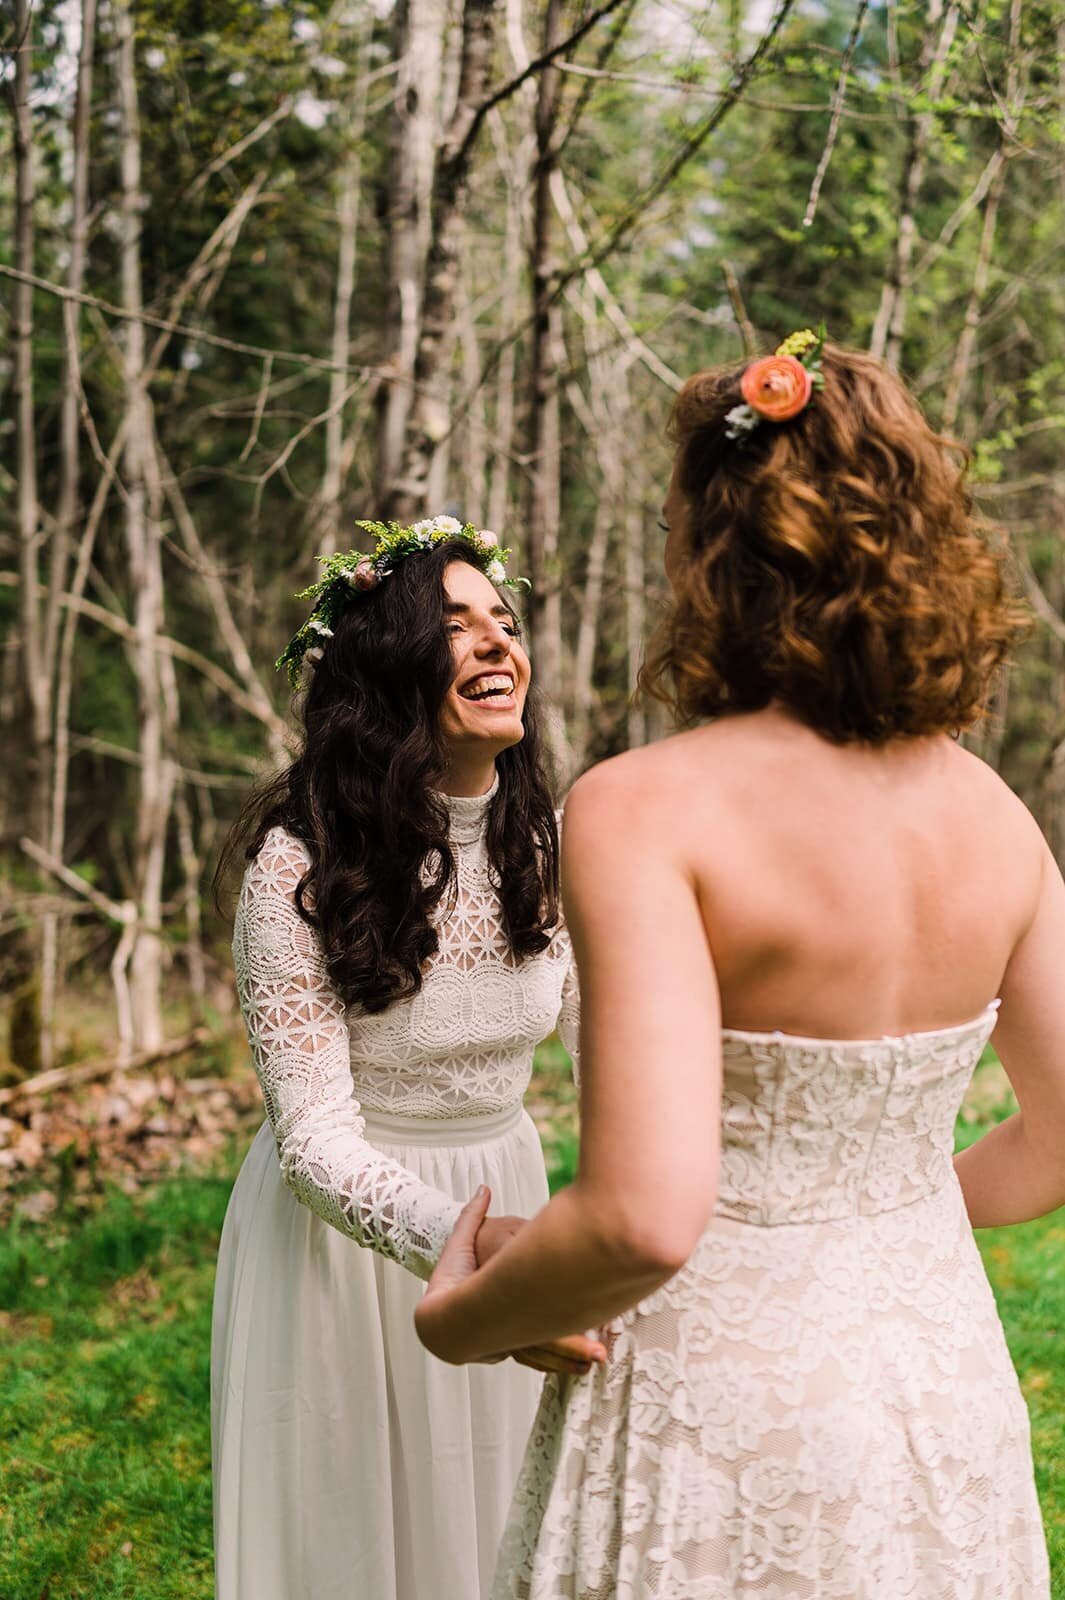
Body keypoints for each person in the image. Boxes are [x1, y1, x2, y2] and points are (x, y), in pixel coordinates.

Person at [415, 338, 1059, 1598]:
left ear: (712, 556)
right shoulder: (999, 817)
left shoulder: (647, 810)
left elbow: (645, 1219)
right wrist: (875, 1216)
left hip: (716, 1418)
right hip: (940, 1393)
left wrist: (458, 1322)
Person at [211, 517, 601, 1600]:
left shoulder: (554, 843)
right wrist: (476, 1255)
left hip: (507, 1192)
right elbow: (315, 1141)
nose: (496, 646)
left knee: (498, 1532)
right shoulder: (300, 863)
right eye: (455, 627)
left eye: (505, 623)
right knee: (355, 1544)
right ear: (387, 668)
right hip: (342, 1240)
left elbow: (609, 1054)